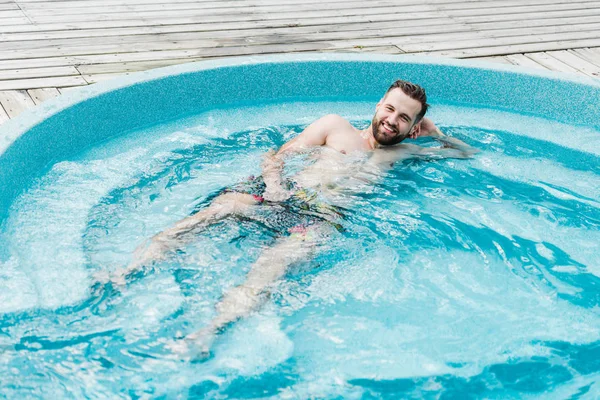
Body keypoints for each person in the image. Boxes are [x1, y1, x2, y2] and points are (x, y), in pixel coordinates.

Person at [109, 80, 478, 360]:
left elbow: (467, 155)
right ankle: (126, 272)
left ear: (414, 126)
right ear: (378, 105)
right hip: (281, 193)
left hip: (320, 219)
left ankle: (209, 331)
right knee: (212, 213)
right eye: (390, 109)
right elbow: (277, 157)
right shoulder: (335, 127)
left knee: (270, 268)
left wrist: (437, 134)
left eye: (404, 118)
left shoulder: (404, 153)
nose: (391, 121)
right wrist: (273, 188)